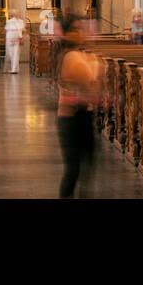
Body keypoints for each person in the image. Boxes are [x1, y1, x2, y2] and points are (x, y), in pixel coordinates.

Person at [57, 19, 102, 197]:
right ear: (68, 34)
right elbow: (90, 80)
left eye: (81, 30)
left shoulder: (78, 55)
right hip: (72, 119)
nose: (81, 33)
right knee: (74, 169)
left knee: (85, 167)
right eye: (76, 30)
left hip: (82, 116)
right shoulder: (71, 57)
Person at [4, 9, 26, 73]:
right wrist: (21, 37)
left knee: (12, 54)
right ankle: (14, 69)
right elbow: (23, 30)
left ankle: (14, 69)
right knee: (15, 54)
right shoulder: (20, 21)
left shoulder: (10, 21)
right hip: (16, 38)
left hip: (11, 38)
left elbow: (6, 30)